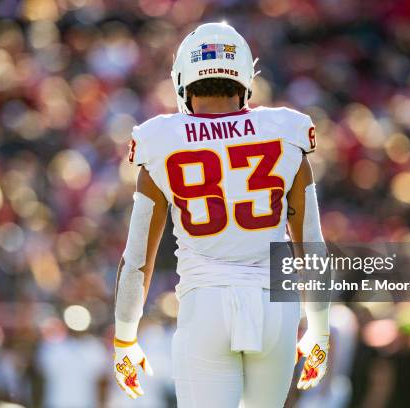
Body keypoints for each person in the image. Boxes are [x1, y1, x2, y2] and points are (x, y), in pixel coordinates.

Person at [113, 22, 330, 407]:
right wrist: (321, 328)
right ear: (245, 77)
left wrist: (124, 336)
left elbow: (136, 260)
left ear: (184, 78)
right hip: (275, 308)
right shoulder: (286, 131)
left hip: (206, 305)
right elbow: (310, 242)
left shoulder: (160, 141)